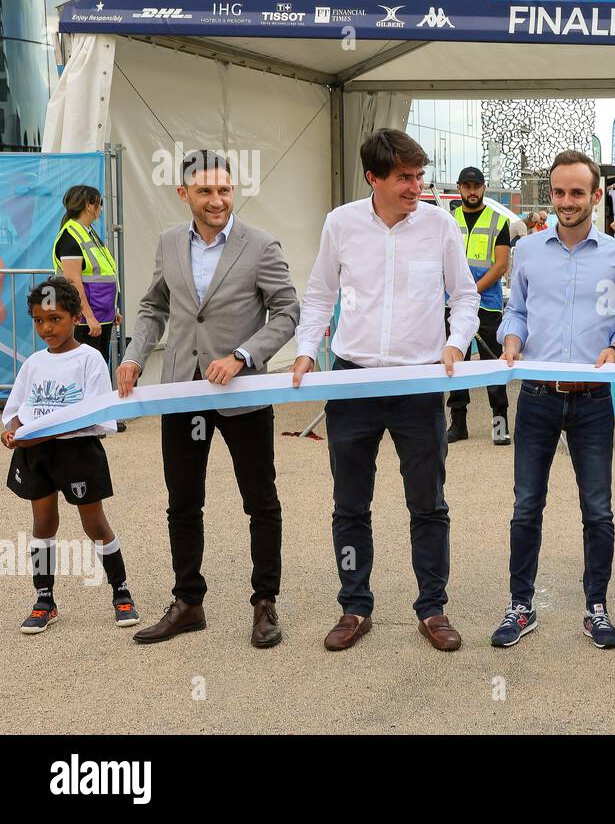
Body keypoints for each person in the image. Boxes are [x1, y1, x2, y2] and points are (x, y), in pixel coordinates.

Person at [292, 129, 479, 654]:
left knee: (429, 503)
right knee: (350, 503)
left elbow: (464, 296)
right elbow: (319, 294)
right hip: (352, 382)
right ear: (373, 177)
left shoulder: (440, 226)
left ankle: (433, 608)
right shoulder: (341, 224)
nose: (416, 186)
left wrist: (456, 345)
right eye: (404, 177)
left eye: (420, 176)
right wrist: (308, 350)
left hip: (419, 383)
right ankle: (354, 606)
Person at [121, 151, 300, 648]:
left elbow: (287, 313)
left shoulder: (261, 246)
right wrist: (135, 355)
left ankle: (265, 603)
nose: (217, 199)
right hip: (184, 389)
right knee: (182, 501)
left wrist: (243, 354)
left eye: (224, 190)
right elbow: (153, 305)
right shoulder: (168, 243)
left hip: (243, 393)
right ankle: (188, 603)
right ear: (184, 195)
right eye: (205, 191)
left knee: (260, 501)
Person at [490, 150, 615, 650]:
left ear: (598, 196)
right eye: (559, 193)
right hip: (535, 398)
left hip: (593, 400)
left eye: (578, 192)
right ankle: (520, 606)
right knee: (526, 505)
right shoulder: (529, 250)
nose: (567, 201)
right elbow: (516, 312)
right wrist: (511, 340)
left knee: (598, 508)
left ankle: (596, 608)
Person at [3, 276, 138, 633]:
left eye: (55, 318)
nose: (46, 327)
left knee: (94, 524)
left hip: (76, 452)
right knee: (43, 524)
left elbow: (94, 416)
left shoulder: (89, 359)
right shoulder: (33, 363)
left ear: (76, 317)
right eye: (38, 320)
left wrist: (39, 433)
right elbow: (15, 408)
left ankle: (121, 592)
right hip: (36, 455)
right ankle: (44, 599)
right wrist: (12, 429)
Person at [446, 166, 511, 446]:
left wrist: (469, 292)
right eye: (467, 185)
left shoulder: (498, 221)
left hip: (488, 304)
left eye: (477, 186)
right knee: (454, 364)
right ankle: (458, 424)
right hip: (451, 304)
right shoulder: (447, 220)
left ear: (483, 188)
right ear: (459, 188)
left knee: (492, 365)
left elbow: (500, 266)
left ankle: (500, 425)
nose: (472, 191)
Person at [52, 185, 119, 366]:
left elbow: (104, 275)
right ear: (89, 206)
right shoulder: (71, 236)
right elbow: (73, 282)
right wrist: (88, 317)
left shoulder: (88, 233)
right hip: (86, 322)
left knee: (98, 367)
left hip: (101, 316)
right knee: (85, 371)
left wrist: (113, 311)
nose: (101, 209)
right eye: (99, 204)